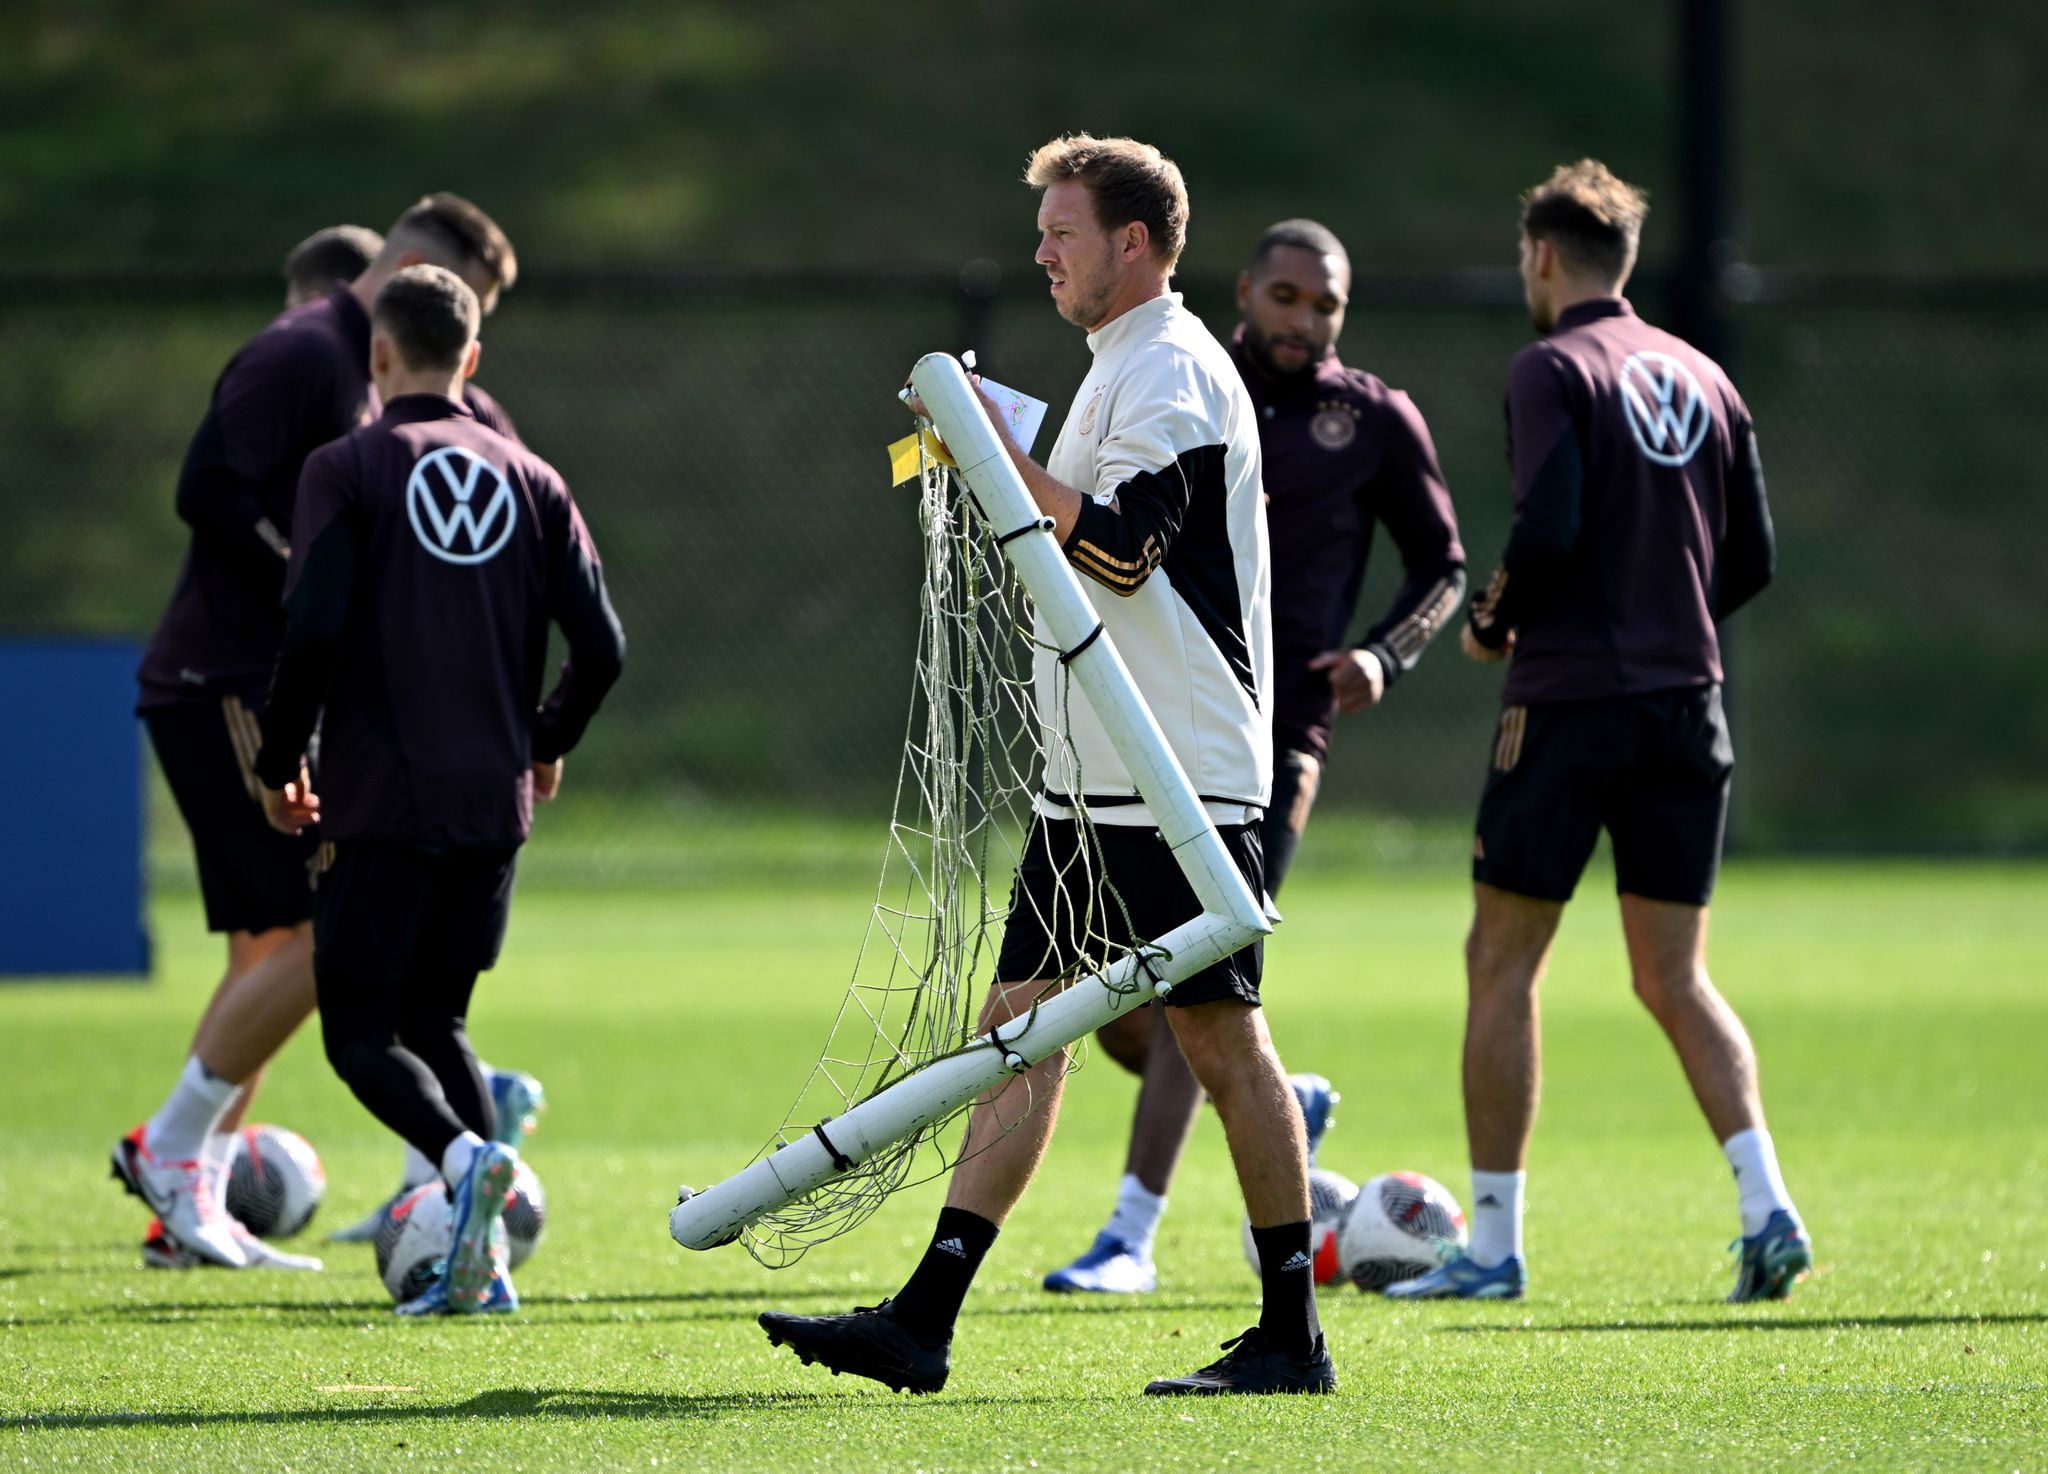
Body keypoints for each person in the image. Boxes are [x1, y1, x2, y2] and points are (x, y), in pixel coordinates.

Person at [760, 134, 1335, 1396]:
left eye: (1060, 232)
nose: (1040, 254)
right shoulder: (1118, 362)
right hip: (1097, 777)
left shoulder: (1171, 366)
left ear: (1132, 243)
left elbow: (1123, 548)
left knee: (1219, 1039)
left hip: (1177, 776)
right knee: (1018, 1031)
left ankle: (1291, 1337)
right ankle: (923, 1318)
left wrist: (991, 452)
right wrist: (990, 445)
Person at [1386, 160, 1809, 1303]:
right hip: (1686, 702)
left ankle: (1492, 1246)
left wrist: (1494, 619)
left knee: (1500, 961)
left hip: (1569, 705)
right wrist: (1663, 620)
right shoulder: (1704, 373)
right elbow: (1753, 558)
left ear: (1540, 256)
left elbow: (1551, 521)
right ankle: (1766, 1207)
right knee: (1674, 976)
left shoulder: (1549, 366)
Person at [1042, 219, 1467, 1295]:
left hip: (1267, 738)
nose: (1304, 320)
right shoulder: (1181, 376)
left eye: (1326, 306)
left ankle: (1128, 1235)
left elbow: (1443, 565)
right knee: (1119, 1010)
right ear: (1243, 289)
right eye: (1286, 297)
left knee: (1195, 981)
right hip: (1132, 724)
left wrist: (1383, 654)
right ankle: (1285, 1104)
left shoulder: (1372, 419)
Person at [114, 195, 521, 1270]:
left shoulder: (421, 390)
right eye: (466, 301)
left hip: (302, 692)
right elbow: (206, 487)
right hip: (229, 680)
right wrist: (319, 584)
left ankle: (195, 1183)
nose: (465, 331)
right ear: (413, 268)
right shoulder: (305, 350)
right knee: (314, 933)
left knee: (289, 946)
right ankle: (176, 1152)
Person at [251, 264, 625, 1314]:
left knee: (360, 1031)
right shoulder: (534, 477)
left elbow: (312, 630)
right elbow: (601, 647)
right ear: (471, 357)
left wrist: (280, 763)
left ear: (377, 353)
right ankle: (483, 1257)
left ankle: (467, 1164)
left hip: (381, 796)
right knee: (439, 1019)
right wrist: (542, 740)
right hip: (491, 803)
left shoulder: (346, 467)